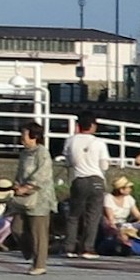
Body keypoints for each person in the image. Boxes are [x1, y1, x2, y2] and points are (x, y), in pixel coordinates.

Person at [61, 112, 110, 263]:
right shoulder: (99, 142)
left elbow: (68, 161)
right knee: (93, 216)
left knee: (74, 215)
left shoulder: (70, 141)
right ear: (93, 126)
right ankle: (88, 248)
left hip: (79, 179)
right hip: (96, 179)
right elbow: (105, 165)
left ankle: (69, 247)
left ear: (78, 126)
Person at [13, 120, 57, 272]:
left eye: (24, 135)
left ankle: (39, 264)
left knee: (38, 232)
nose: (22, 138)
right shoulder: (24, 153)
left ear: (34, 136)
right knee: (16, 228)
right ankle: (30, 251)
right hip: (23, 198)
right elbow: (19, 173)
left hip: (40, 198)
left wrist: (28, 186)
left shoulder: (42, 152)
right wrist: (17, 185)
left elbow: (42, 174)